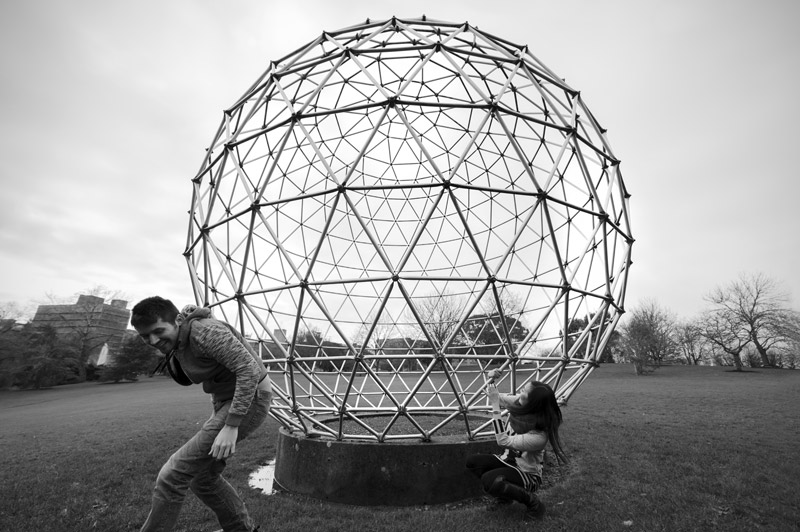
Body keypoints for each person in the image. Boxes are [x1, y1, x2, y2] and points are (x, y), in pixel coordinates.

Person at [131, 296, 272, 532]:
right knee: (202, 477)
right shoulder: (184, 334)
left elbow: (249, 369)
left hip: (250, 399)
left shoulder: (204, 332)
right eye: (145, 336)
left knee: (172, 474)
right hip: (227, 400)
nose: (153, 340)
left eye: (158, 331)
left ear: (177, 321)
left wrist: (231, 425)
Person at [465, 369, 566, 521]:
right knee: (473, 463)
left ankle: (534, 504)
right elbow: (495, 397)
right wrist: (491, 380)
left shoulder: (539, 436)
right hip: (507, 461)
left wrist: (495, 409)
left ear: (532, 403)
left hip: (527, 474)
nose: (520, 392)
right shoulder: (520, 404)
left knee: (490, 480)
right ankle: (505, 497)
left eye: (524, 391)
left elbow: (502, 441)